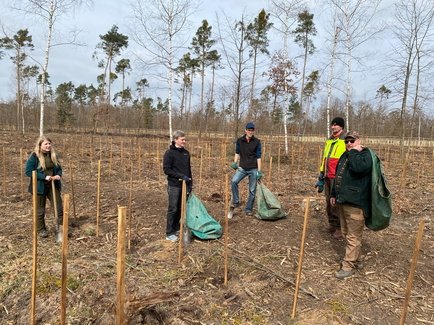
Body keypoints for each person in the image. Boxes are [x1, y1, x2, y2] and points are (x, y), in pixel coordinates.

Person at [330, 131, 372, 279]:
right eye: (346, 141)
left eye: (352, 141)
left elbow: (358, 168)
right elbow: (338, 176)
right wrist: (334, 194)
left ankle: (348, 267)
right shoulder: (345, 155)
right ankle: (357, 259)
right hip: (343, 201)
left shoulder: (365, 155)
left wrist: (354, 152)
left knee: (353, 236)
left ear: (359, 141)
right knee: (347, 234)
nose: (348, 144)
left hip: (356, 204)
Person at [25, 135, 64, 243]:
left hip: (53, 184)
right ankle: (41, 229)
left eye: (49, 144)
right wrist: (43, 177)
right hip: (39, 186)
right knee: (40, 210)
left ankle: (59, 229)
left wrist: (58, 175)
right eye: (45, 144)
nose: (48, 146)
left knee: (58, 207)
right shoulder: (34, 156)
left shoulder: (54, 155)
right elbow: (28, 172)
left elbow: (59, 169)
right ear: (40, 145)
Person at [316, 117, 347, 239]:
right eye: (332, 125)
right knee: (328, 202)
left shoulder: (345, 141)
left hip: (337, 177)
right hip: (327, 175)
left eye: (336, 125)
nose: (333, 127)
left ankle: (340, 227)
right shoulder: (329, 141)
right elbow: (325, 158)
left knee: (336, 203)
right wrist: (321, 173)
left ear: (342, 127)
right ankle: (332, 224)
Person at [163, 130, 192, 242]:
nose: (184, 141)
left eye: (185, 139)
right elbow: (166, 170)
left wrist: (190, 184)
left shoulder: (186, 153)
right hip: (174, 185)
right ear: (176, 140)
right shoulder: (169, 153)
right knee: (173, 208)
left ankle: (176, 228)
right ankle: (169, 233)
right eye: (182, 139)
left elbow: (189, 170)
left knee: (181, 207)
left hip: (185, 184)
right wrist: (180, 175)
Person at [229, 122, 262, 217]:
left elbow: (259, 157)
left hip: (253, 168)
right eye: (249, 130)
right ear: (245, 130)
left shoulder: (257, 142)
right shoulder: (240, 141)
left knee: (252, 190)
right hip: (242, 167)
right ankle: (236, 201)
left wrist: (259, 171)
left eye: (252, 130)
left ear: (254, 131)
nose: (250, 132)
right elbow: (237, 152)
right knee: (234, 181)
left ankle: (248, 209)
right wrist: (235, 162)